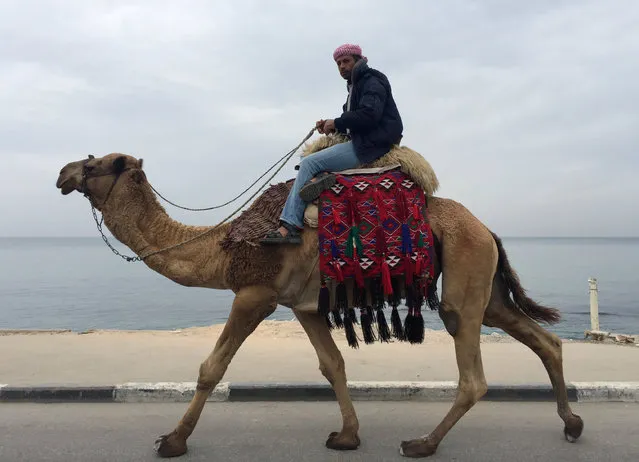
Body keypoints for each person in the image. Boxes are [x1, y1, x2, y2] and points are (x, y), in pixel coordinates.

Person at [261, 43, 403, 245]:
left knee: (309, 163)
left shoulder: (372, 81)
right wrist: (332, 126)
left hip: (372, 145)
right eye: (338, 63)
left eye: (346, 61)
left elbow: (369, 116)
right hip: (365, 141)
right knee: (305, 159)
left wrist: (336, 122)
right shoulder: (355, 85)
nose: (342, 66)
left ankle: (290, 225)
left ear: (358, 60)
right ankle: (323, 178)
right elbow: (355, 121)